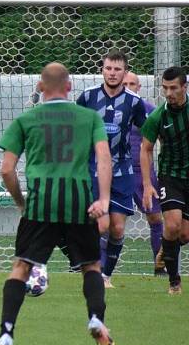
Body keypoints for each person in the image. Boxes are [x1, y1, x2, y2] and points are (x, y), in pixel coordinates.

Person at [0, 62, 114, 345]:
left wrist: (22, 201)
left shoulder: (26, 119)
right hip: (78, 202)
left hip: (40, 203)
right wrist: (104, 200)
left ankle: (6, 334)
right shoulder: (89, 118)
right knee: (91, 267)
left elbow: (7, 170)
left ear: (40, 87)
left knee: (21, 268)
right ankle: (96, 318)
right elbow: (104, 158)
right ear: (69, 87)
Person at [76, 51, 147, 288]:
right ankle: (94, 272)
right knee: (99, 225)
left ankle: (106, 275)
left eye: (118, 69)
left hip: (122, 172)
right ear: (102, 70)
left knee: (116, 228)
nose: (113, 73)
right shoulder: (87, 97)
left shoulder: (134, 102)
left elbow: (148, 133)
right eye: (108, 68)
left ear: (125, 72)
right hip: (93, 169)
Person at [140, 66, 189, 295]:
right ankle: (174, 283)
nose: (168, 93)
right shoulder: (158, 116)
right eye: (165, 88)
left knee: (184, 235)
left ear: (184, 87)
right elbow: (146, 149)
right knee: (172, 225)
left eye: (174, 88)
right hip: (170, 177)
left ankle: (165, 248)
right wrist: (148, 185)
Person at [121, 71, 165, 275]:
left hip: (142, 172)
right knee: (108, 221)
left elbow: (163, 137)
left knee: (156, 218)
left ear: (139, 87)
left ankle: (160, 266)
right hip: (117, 170)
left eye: (133, 83)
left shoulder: (149, 110)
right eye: (125, 83)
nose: (129, 86)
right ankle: (99, 269)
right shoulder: (112, 109)